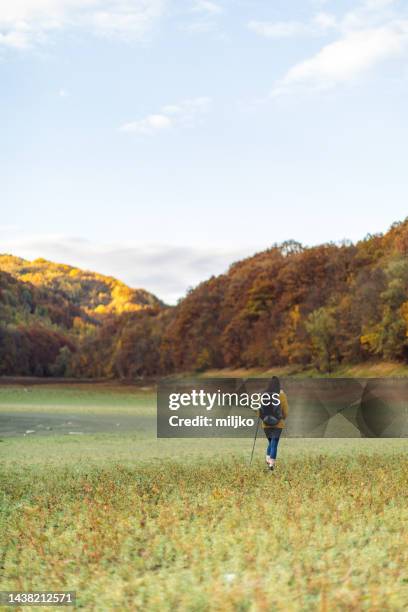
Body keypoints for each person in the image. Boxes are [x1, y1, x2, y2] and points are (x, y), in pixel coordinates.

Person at [259, 376, 289, 470]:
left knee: (271, 442)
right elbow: (285, 411)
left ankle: (268, 459)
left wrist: (262, 418)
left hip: (266, 424)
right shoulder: (281, 395)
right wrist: (283, 417)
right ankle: (271, 464)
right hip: (278, 424)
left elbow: (260, 410)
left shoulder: (264, 394)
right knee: (274, 443)